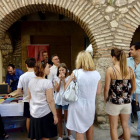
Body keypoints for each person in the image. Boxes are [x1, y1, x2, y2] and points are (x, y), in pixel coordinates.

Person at [65, 51, 101, 140]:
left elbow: (66, 88)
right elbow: (98, 92)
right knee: (89, 126)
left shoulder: (76, 73)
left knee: (79, 131)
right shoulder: (97, 74)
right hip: (90, 105)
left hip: (77, 105)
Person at [104, 48, 136, 140]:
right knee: (125, 126)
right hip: (126, 102)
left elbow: (106, 88)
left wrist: (105, 98)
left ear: (113, 57)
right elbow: (134, 87)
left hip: (114, 102)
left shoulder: (110, 70)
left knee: (113, 127)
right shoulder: (130, 69)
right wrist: (128, 95)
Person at [28, 61, 58, 140]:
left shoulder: (31, 81)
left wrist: (32, 109)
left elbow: (29, 98)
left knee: (35, 136)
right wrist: (55, 115)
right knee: (45, 137)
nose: (49, 69)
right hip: (45, 113)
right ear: (42, 69)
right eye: (48, 67)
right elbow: (50, 100)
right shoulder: (47, 82)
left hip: (34, 113)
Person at [119, 42, 140, 140]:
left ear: (138, 50)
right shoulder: (127, 61)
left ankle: (139, 133)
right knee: (125, 113)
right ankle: (125, 132)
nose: (129, 51)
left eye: (131, 49)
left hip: (139, 92)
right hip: (127, 91)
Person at [54, 63, 75, 140]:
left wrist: (63, 80)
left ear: (66, 70)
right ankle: (60, 136)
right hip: (59, 99)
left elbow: (66, 89)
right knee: (59, 119)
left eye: (63, 70)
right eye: (59, 70)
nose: (61, 72)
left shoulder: (69, 77)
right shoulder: (56, 78)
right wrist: (60, 80)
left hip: (66, 100)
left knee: (67, 118)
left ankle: (70, 135)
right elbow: (57, 89)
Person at [17, 58, 36, 133]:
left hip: (26, 100)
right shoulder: (37, 75)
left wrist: (24, 91)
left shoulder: (22, 76)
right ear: (35, 65)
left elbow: (18, 92)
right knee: (37, 118)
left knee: (28, 118)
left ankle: (30, 136)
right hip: (37, 100)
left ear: (26, 65)